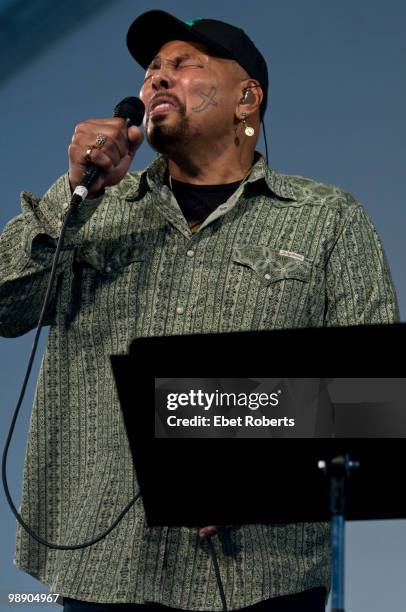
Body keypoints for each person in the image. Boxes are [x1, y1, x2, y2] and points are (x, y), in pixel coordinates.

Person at [0, 9, 400, 612]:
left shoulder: (326, 219)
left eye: (184, 65)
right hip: (102, 572)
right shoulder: (93, 210)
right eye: (152, 69)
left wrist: (257, 475)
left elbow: (377, 398)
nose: (158, 78)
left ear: (247, 98)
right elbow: (6, 307)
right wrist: (73, 190)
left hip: (264, 576)